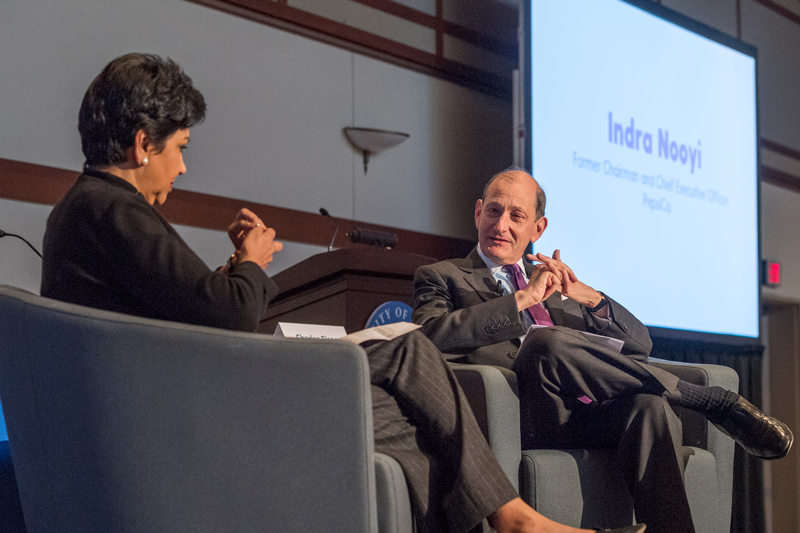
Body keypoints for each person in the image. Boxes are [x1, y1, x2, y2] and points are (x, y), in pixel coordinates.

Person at [40, 54, 646, 533]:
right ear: (144, 143)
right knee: (410, 357)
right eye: (179, 149)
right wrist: (251, 266)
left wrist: (232, 268)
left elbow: (187, 306)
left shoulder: (87, 213)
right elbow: (227, 316)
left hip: (172, 399)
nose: (182, 169)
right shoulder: (115, 211)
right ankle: (513, 518)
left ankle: (511, 520)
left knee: (406, 416)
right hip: (188, 410)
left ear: (539, 229)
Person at [413, 168, 794, 533]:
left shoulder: (552, 282)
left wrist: (589, 298)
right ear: (478, 212)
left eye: (516, 215)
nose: (501, 225)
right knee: (544, 342)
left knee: (650, 406)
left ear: (537, 229)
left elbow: (641, 344)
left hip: (586, 412)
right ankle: (709, 401)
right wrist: (521, 300)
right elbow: (428, 338)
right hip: (520, 414)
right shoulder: (442, 276)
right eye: (494, 211)